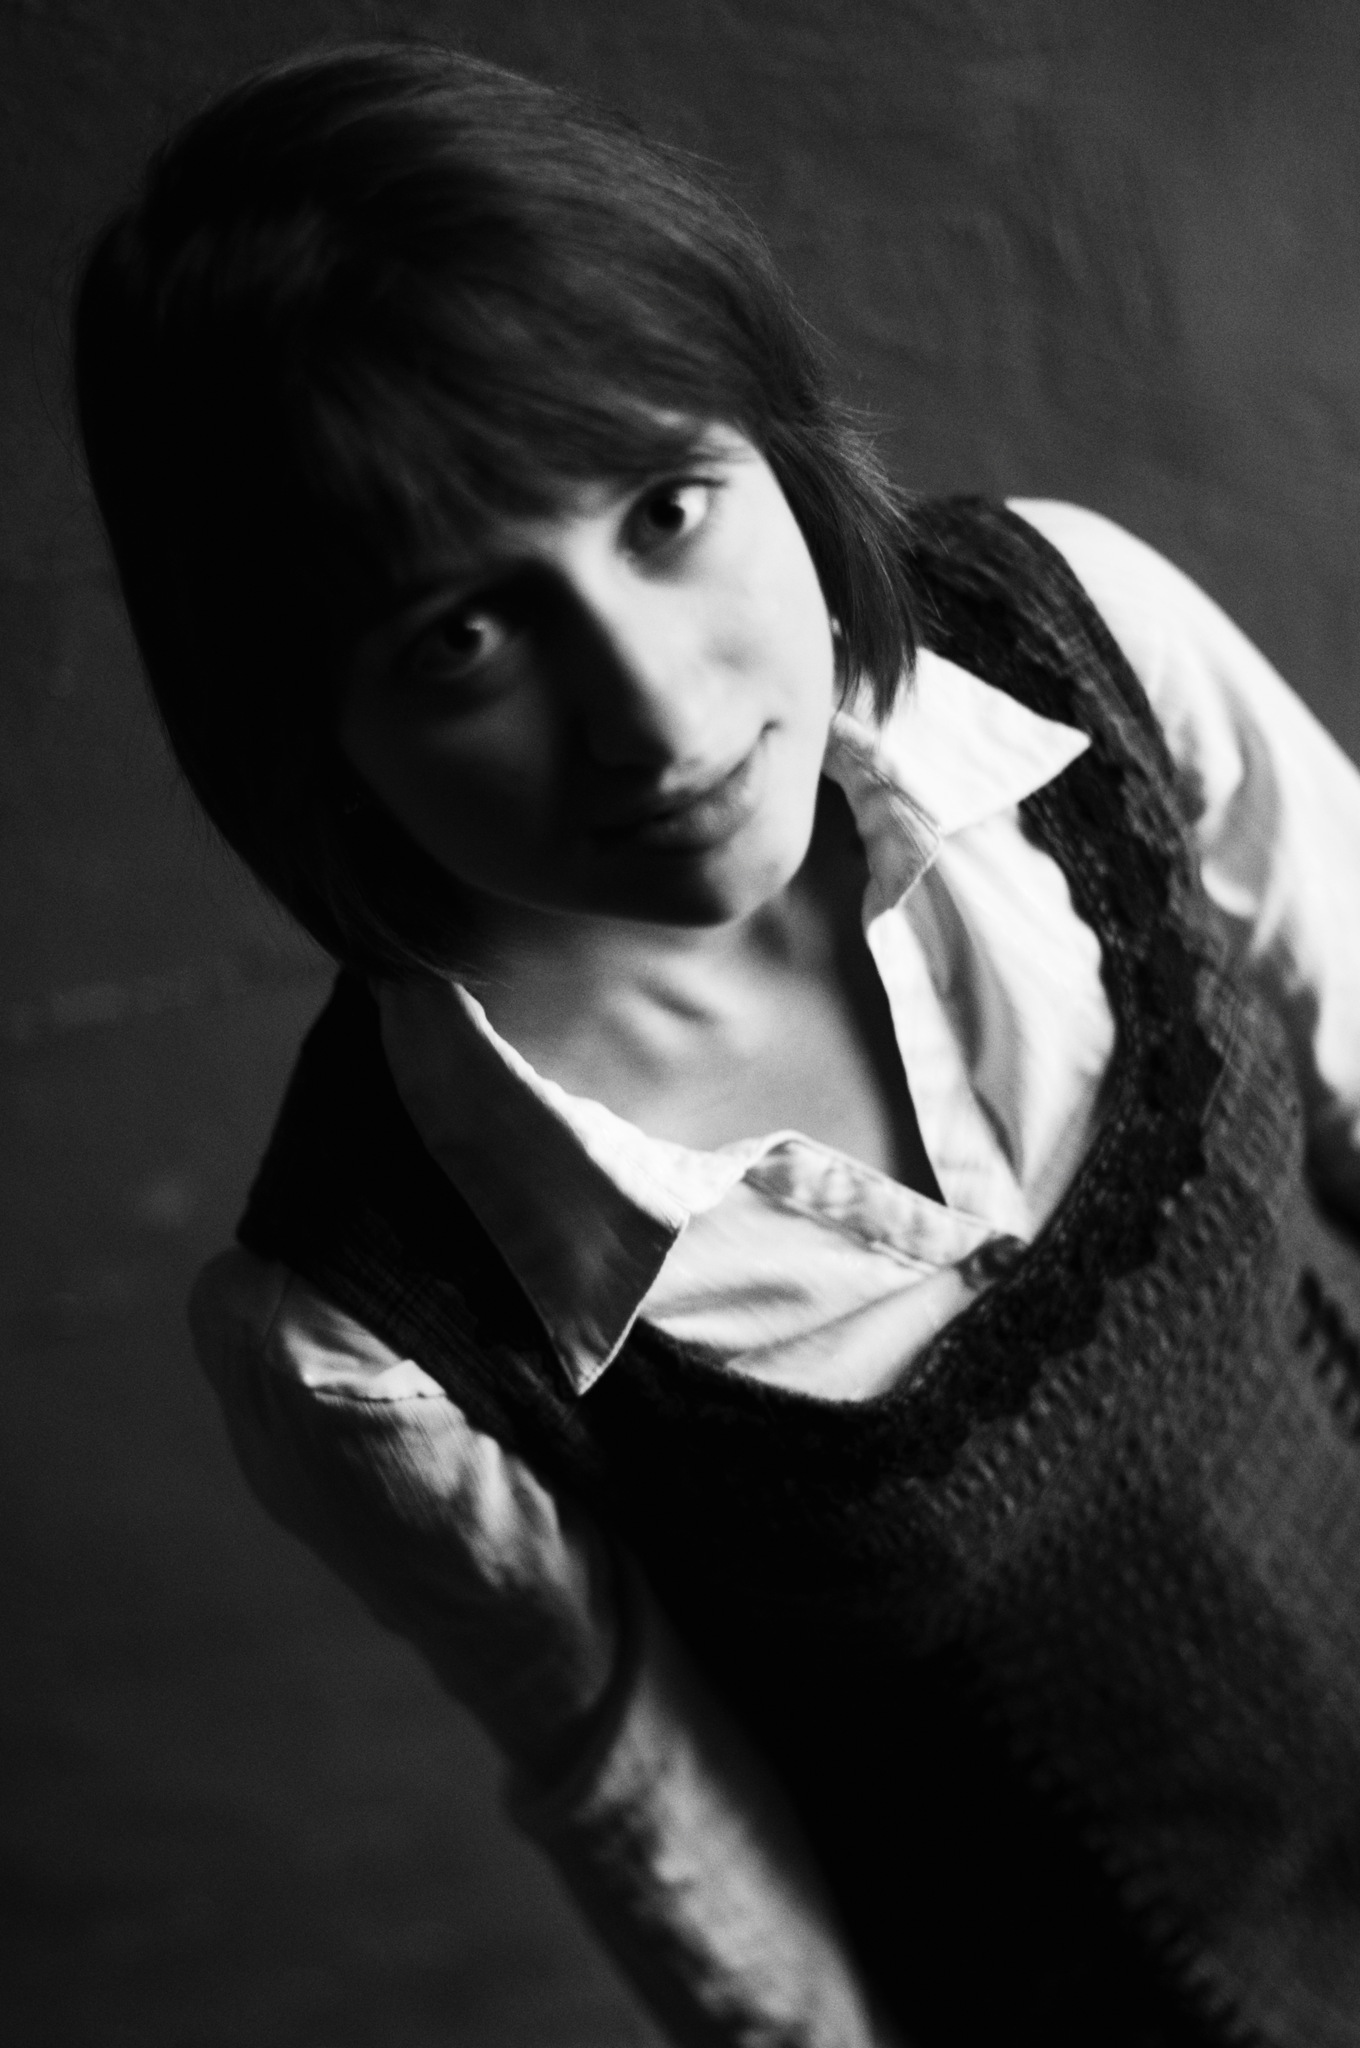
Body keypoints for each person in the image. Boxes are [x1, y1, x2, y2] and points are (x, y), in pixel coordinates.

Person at [72, 39, 1360, 2048]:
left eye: (666, 507)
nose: (658, 717)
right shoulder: (375, 1339)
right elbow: (683, 1843)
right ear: (298, 717)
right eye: (465, 637)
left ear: (773, 441)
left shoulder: (1077, 646)